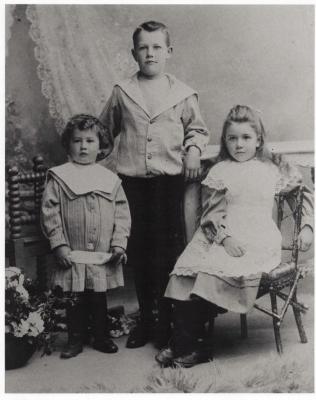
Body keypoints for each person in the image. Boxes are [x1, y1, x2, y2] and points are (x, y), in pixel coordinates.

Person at [156, 105, 314, 368]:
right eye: (232, 138)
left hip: (259, 237)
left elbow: (304, 195)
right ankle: (187, 342)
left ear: (259, 140)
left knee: (211, 273)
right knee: (185, 271)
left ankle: (193, 345)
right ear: (225, 140)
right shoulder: (220, 171)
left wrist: (308, 226)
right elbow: (211, 213)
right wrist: (225, 239)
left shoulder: (273, 168)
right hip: (223, 234)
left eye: (246, 138)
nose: (239, 145)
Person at [99, 21, 210, 349]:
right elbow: (105, 131)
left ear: (169, 52)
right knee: (139, 253)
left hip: (168, 183)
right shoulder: (123, 91)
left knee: (167, 252)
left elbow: (198, 129)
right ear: (134, 53)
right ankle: (147, 320)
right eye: (143, 48)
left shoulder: (182, 94)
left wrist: (192, 151)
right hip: (132, 183)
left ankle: (168, 320)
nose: (150, 53)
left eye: (157, 47)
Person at [41, 114, 131, 359]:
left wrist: (119, 243)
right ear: (68, 145)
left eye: (90, 141)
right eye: (77, 141)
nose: (83, 146)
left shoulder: (110, 180)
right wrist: (58, 244)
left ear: (100, 145)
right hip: (73, 251)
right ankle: (75, 338)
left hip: (101, 251)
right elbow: (50, 212)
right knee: (75, 298)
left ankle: (100, 336)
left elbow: (122, 214)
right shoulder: (59, 177)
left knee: (98, 297)